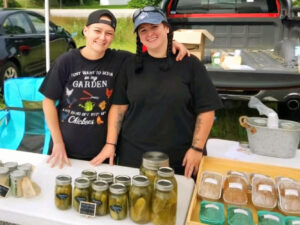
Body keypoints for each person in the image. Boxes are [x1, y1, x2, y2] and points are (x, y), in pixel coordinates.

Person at [39, 9, 189, 168]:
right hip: (64, 150)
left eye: (109, 33)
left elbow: (150, 53)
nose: (102, 37)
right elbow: (48, 102)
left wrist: (170, 43)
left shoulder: (121, 60)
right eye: (97, 31)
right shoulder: (66, 61)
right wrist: (58, 142)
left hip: (102, 152)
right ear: (86, 30)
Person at [91, 7, 223, 178]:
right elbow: (118, 108)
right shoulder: (130, 64)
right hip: (133, 157)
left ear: (166, 28)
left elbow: (206, 110)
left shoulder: (190, 64)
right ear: (138, 36)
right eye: (143, 30)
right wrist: (110, 144)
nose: (149, 33)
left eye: (154, 27)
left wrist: (196, 149)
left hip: (179, 158)